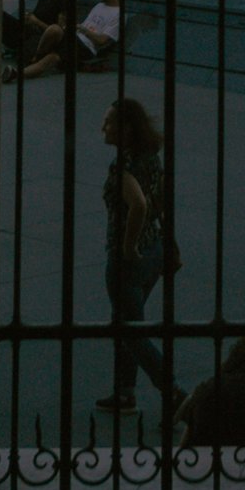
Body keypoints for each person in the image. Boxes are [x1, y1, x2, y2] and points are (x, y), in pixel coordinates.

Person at [97, 97, 182, 417]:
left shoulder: (124, 167)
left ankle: (172, 391)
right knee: (129, 322)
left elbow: (139, 205)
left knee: (130, 331)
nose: (102, 127)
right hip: (154, 252)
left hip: (128, 259)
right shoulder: (151, 158)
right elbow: (157, 204)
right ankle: (124, 391)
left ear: (126, 129)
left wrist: (128, 246)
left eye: (108, 122)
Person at [14, 0, 126, 81]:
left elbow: (102, 40)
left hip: (86, 48)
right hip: (75, 38)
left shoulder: (119, 14)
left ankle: (35, 57)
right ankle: (16, 74)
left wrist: (82, 29)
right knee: (52, 58)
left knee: (54, 30)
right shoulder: (99, 5)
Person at [1, 0, 69, 77]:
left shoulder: (63, 3)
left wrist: (35, 21)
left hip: (40, 37)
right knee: (1, 15)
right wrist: (29, 19)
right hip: (29, 31)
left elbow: (59, 32)